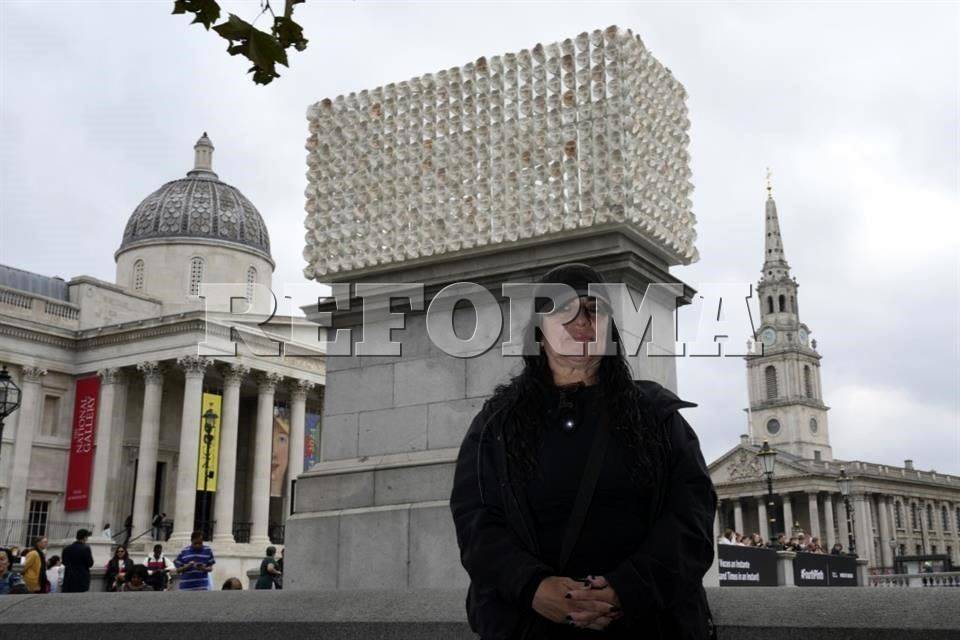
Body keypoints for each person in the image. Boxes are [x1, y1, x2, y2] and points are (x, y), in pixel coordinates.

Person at [450, 263, 717, 639]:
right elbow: (476, 521)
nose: (581, 322)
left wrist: (628, 588)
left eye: (594, 310)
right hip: (532, 627)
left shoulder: (657, 416)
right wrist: (533, 587)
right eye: (564, 309)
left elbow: (692, 519)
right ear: (539, 329)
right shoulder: (497, 424)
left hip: (648, 626)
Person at [62, 529, 95, 593]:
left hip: (69, 578)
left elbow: (64, 562)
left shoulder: (66, 549)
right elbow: (90, 563)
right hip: (81, 579)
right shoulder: (86, 549)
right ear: (85, 537)